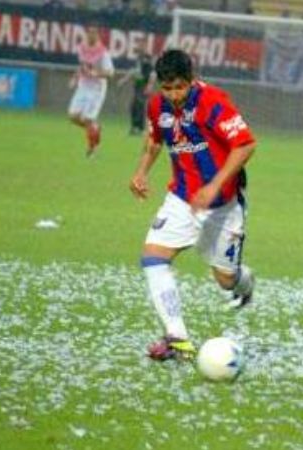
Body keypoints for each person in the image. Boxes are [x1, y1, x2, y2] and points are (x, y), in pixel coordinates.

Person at [129, 49, 256, 362]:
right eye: (167, 88)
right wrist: (141, 171)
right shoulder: (157, 105)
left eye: (179, 87)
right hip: (182, 199)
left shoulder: (213, 102)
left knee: (225, 279)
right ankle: (177, 337)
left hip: (223, 205)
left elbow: (246, 144)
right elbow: (156, 139)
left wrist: (214, 185)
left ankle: (244, 281)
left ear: (191, 79)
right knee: (153, 257)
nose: (173, 95)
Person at [68, 24, 114, 157]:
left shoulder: (103, 52)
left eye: (94, 33)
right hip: (83, 86)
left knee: (88, 119)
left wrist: (96, 73)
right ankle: (95, 129)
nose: (91, 35)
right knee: (73, 116)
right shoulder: (82, 48)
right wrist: (75, 78)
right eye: (89, 32)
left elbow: (110, 72)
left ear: (98, 35)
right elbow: (82, 66)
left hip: (97, 89)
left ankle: (92, 148)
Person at [117, 45, 155, 135]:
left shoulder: (146, 61)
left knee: (140, 106)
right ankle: (134, 127)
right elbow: (133, 72)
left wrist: (149, 85)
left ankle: (140, 129)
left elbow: (152, 73)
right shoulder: (138, 61)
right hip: (138, 86)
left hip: (143, 86)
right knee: (134, 106)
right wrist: (124, 80)